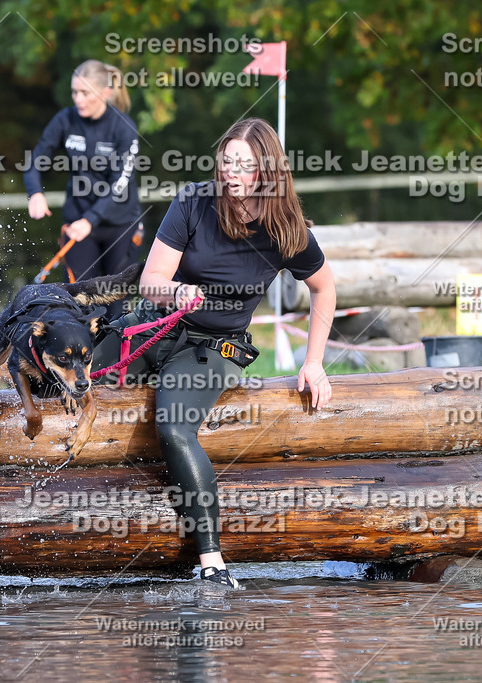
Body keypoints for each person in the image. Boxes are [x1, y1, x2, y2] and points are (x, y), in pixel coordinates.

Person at [93, 118, 336, 589]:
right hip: (154, 326)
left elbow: (324, 289)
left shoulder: (285, 230)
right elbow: (150, 282)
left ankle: (211, 562)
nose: (231, 172)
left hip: (212, 348)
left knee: (174, 426)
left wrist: (313, 362)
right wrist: (176, 292)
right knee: (70, 379)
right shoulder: (193, 202)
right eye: (226, 161)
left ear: (266, 170)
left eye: (243, 164)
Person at [23, 59, 142, 283]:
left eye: (85, 93)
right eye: (75, 92)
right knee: (75, 303)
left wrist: (90, 220)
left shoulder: (123, 128)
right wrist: (35, 192)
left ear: (106, 93)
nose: (78, 99)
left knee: (114, 308)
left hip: (120, 225)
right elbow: (36, 159)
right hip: (77, 224)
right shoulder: (65, 120)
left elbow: (120, 183)